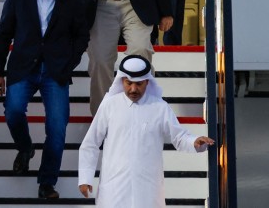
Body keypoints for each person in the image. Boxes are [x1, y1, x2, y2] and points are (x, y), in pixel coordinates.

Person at [0, 0, 90, 200]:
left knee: (57, 128)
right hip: (23, 67)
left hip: (55, 71)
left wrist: (70, 63)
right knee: (13, 111)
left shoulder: (71, 0)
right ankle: (25, 149)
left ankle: (47, 182)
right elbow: (3, 35)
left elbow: (81, 36)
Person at [77, 54, 214, 207]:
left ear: (147, 82)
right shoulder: (109, 105)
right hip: (114, 187)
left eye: (139, 84)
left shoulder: (159, 107)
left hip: (148, 189)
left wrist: (194, 141)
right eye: (129, 83)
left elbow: (179, 137)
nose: (133, 89)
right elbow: (91, 143)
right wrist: (85, 177)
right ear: (122, 80)